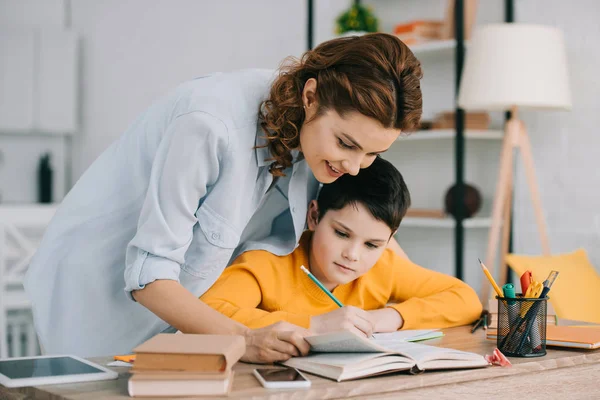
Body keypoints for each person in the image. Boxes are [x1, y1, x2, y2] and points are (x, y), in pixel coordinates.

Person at [24, 33, 423, 361]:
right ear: (311, 96)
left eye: (372, 153)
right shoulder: (209, 123)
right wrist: (247, 339)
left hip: (191, 319)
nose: (355, 167)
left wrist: (402, 281)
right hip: (95, 297)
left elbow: (373, 228)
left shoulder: (319, 142)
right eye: (347, 144)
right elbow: (148, 275)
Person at [200, 157, 483, 335]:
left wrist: (385, 319)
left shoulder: (383, 266)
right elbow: (207, 313)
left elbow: (465, 300)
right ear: (314, 216)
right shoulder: (266, 263)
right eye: (342, 234)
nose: (353, 255)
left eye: (372, 244)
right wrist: (316, 325)